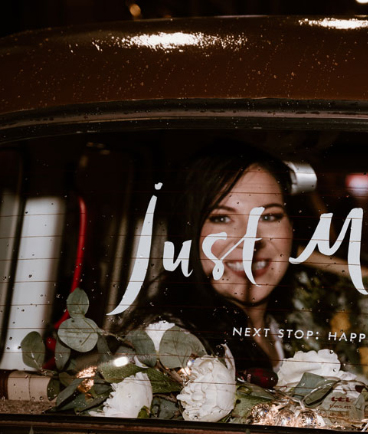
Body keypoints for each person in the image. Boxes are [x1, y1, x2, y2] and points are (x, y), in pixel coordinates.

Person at [126, 141, 296, 376]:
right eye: (222, 218)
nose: (250, 239)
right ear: (189, 233)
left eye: (269, 217)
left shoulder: (289, 328)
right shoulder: (169, 348)